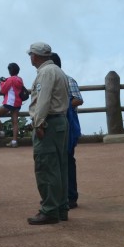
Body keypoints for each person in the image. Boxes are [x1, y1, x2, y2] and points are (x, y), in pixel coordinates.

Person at [26, 42, 71, 225]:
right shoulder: (58, 71)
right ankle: (61, 207)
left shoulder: (45, 73)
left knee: (46, 167)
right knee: (59, 166)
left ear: (35, 56)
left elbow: (43, 100)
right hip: (60, 121)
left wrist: (38, 123)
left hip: (49, 123)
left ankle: (49, 209)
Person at [51, 52, 83, 209]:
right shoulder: (48, 80)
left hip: (68, 126)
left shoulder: (68, 79)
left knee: (68, 161)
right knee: (55, 162)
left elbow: (78, 99)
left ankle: (71, 196)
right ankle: (59, 196)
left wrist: (62, 106)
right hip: (54, 126)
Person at [0, 62, 26, 146]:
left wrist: (1, 82)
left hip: (10, 102)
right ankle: (14, 142)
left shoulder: (10, 79)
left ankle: (1, 132)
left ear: (10, 71)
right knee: (15, 122)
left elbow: (3, 90)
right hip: (18, 103)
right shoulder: (20, 79)